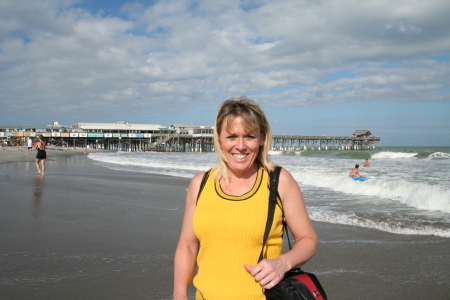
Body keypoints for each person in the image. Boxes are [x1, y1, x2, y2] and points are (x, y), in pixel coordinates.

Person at [173, 98, 318, 300]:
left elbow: (308, 240)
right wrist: (179, 293)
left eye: (249, 136)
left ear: (261, 138)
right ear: (219, 139)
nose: (240, 146)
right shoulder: (201, 184)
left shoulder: (278, 181)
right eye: (231, 136)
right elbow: (187, 245)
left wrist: (283, 263)